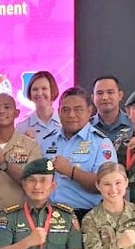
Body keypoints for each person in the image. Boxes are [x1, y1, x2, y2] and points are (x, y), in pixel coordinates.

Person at [44, 87, 117, 219]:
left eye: (78, 109)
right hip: (50, 215)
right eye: (65, 110)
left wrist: (71, 171)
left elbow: (108, 184)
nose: (71, 115)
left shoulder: (101, 143)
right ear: (59, 112)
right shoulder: (48, 141)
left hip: (85, 216)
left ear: (90, 111)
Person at [91, 75, 135, 151]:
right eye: (99, 93)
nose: (105, 97)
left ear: (120, 95)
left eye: (110, 92)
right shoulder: (85, 127)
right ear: (93, 98)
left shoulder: (134, 124)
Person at [16, 70, 61, 144]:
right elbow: (15, 155)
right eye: (35, 89)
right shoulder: (21, 127)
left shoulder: (65, 123)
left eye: (44, 88)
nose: (39, 93)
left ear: (53, 90)